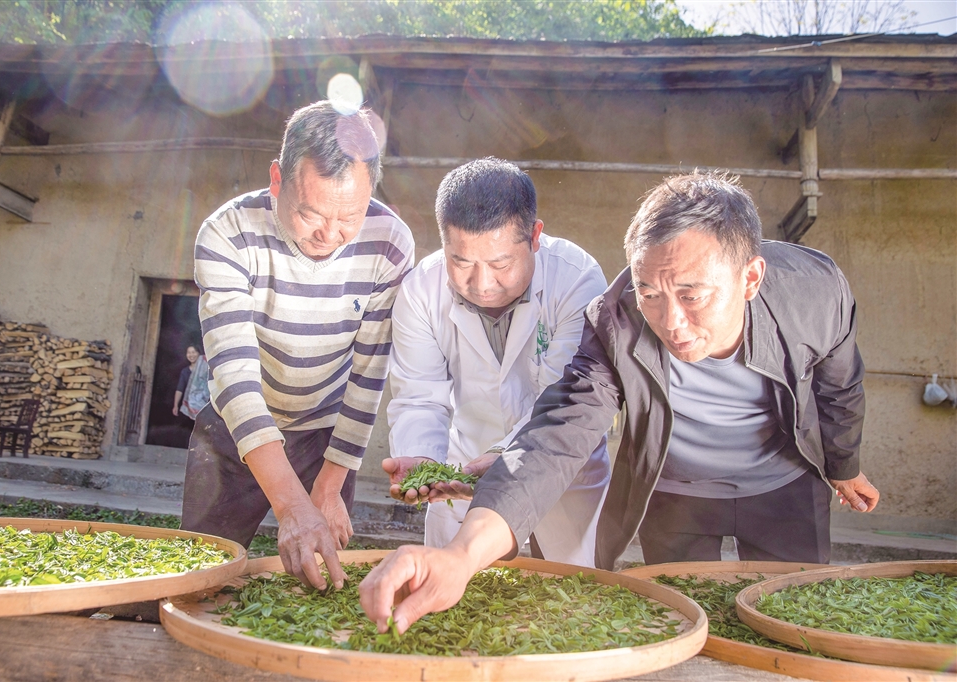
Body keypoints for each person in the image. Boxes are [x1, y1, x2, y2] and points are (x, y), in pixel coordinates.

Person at [359, 171, 880, 635]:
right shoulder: (617, 317)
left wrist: (843, 465)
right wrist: (460, 555)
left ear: (750, 278)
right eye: (649, 293)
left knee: (797, 614)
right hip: (675, 486)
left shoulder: (815, 294)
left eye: (692, 295)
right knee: (683, 619)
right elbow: (559, 432)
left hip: (783, 480)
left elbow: (839, 386)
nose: (671, 322)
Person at [181, 100, 415, 591]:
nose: (330, 235)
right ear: (277, 179)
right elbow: (235, 378)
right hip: (233, 431)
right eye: (310, 214)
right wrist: (291, 504)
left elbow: (369, 375)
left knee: (322, 581)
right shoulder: (227, 233)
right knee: (202, 575)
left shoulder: (390, 243)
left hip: (325, 438)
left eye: (349, 217)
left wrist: (328, 485)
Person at [383, 157, 610, 566]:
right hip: (463, 469)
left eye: (500, 264)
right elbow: (418, 396)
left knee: (565, 592)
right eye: (461, 262)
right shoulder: (420, 291)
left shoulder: (576, 280)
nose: (482, 284)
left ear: (534, 236)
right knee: (457, 590)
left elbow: (562, 402)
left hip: (561, 468)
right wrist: (422, 458)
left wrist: (508, 456)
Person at [173, 344, 209, 420]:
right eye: (189, 352)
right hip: (189, 408)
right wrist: (175, 405)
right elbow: (180, 389)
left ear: (199, 354)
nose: (191, 355)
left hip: (205, 406)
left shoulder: (206, 370)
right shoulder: (185, 371)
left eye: (193, 352)